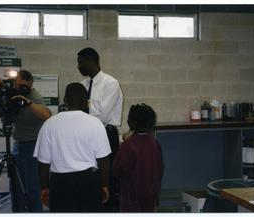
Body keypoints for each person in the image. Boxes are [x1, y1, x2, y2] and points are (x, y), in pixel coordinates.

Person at [33, 83, 112, 212]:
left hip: (60, 183)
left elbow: (43, 162)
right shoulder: (96, 124)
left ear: (65, 101)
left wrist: (44, 188)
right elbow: (104, 160)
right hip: (88, 182)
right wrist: (104, 185)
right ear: (87, 102)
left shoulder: (49, 124)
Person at [0, 70, 51, 212]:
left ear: (31, 84)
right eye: (19, 85)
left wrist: (28, 102)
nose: (22, 89)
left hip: (33, 147)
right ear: (15, 83)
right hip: (17, 146)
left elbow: (46, 114)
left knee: (33, 188)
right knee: (17, 187)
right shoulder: (11, 93)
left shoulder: (34, 96)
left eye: (25, 86)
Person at [77, 47, 123, 212]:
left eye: (80, 63)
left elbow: (102, 116)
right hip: (85, 137)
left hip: (105, 135)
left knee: (107, 180)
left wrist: (80, 117)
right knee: (90, 178)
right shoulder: (82, 85)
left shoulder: (110, 83)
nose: (78, 67)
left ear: (91, 61)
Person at [113, 103, 164, 212]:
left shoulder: (128, 145)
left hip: (131, 201)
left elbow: (117, 170)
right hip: (150, 200)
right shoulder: (155, 144)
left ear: (130, 123)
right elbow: (160, 169)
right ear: (151, 123)